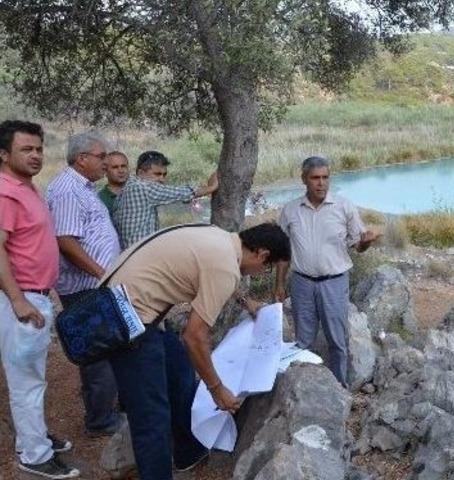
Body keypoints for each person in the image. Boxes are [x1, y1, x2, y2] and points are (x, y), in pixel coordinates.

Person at [105, 222, 289, 480]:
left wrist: (245, 301)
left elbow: (212, 274)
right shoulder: (225, 266)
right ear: (262, 255)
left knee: (180, 371)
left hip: (133, 306)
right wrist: (217, 390)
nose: (262, 272)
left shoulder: (221, 238)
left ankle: (189, 451)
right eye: (267, 268)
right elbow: (193, 336)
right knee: (151, 415)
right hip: (124, 320)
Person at [0, 120, 80, 479]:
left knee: (32, 378)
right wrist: (18, 300)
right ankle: (34, 455)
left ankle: (32, 438)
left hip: (36, 296)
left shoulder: (27, 188)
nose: (35, 155)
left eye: (38, 148)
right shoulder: (4, 192)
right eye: (26, 149)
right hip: (20, 300)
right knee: (26, 382)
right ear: (4, 154)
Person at [274, 156, 381, 388]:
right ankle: (304, 388)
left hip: (334, 282)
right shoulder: (291, 210)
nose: (321, 183)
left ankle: (339, 388)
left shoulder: (344, 207)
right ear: (304, 180)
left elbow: (358, 246)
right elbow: (283, 252)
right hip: (302, 283)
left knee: (337, 339)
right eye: (315, 178)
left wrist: (367, 242)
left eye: (325, 177)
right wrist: (279, 285)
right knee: (303, 340)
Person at [46, 131, 122, 438]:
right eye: (101, 156)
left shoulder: (83, 187)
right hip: (85, 287)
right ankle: (101, 420)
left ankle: (105, 410)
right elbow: (65, 240)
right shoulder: (67, 189)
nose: (106, 162)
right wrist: (102, 273)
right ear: (82, 158)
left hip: (95, 283)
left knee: (106, 348)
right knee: (97, 354)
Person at [113, 150, 218, 248]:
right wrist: (212, 188)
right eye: (157, 174)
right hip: (137, 253)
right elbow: (181, 192)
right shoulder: (142, 187)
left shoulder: (130, 185)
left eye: (164, 174)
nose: (162, 179)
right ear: (141, 173)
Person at [97, 151, 129, 215]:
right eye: (115, 167)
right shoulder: (99, 199)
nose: (121, 171)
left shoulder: (138, 191)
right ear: (105, 171)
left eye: (123, 166)